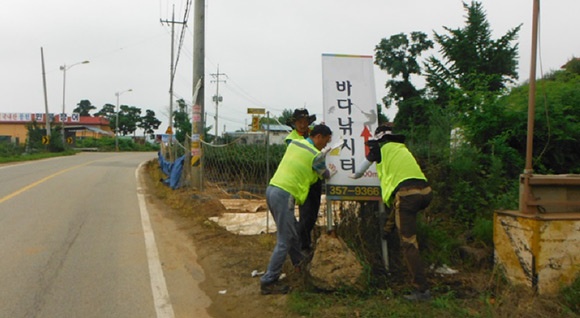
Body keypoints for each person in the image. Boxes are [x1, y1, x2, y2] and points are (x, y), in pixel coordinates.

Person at [350, 125, 433, 301]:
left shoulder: (379, 149)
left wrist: (352, 176)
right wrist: (388, 229)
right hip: (425, 192)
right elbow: (399, 203)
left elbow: (359, 171)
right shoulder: (401, 148)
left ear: (378, 139)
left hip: (407, 195)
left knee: (408, 243)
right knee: (402, 209)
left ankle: (421, 290)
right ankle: (388, 231)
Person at [261, 124, 336, 295]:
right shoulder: (315, 155)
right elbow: (325, 174)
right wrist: (330, 169)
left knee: (293, 232)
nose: (325, 146)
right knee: (285, 239)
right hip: (285, 194)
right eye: (325, 141)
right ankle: (269, 280)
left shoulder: (295, 143)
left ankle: (300, 266)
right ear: (318, 136)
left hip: (272, 189)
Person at [285, 108, 321, 252]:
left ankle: (305, 243)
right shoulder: (291, 139)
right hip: (301, 180)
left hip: (315, 178)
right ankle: (302, 245)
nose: (302, 124)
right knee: (305, 214)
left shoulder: (313, 133)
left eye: (305, 121)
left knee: (313, 214)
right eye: (299, 122)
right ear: (294, 123)